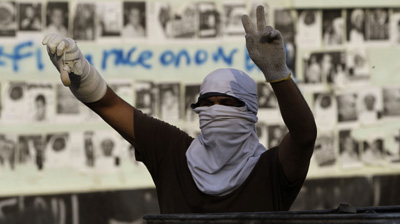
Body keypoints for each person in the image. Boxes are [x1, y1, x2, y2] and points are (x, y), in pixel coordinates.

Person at [42, 5, 316, 213]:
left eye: (228, 103)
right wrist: (81, 74)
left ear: (251, 113)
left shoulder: (271, 170)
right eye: (207, 103)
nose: (215, 110)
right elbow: (108, 103)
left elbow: (304, 135)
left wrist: (278, 74)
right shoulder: (172, 151)